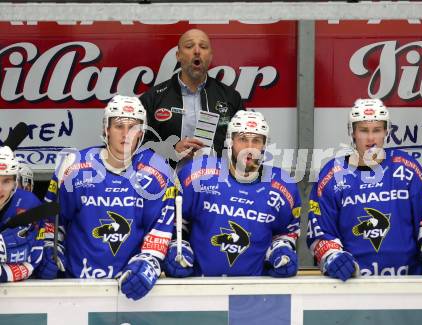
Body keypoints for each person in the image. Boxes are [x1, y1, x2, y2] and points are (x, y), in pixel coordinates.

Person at [36, 95, 175, 300]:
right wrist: (49, 247)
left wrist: (150, 261)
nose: (126, 134)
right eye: (119, 126)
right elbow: (53, 221)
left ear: (142, 133)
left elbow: (159, 228)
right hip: (76, 286)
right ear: (106, 129)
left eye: (133, 127)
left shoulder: (158, 172)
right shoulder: (74, 166)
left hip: (129, 286)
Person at [307, 98, 422, 280]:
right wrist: (333, 257)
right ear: (352, 132)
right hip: (354, 286)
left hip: (409, 284)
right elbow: (321, 231)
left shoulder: (407, 168)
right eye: (363, 130)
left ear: (386, 131)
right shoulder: (332, 174)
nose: (371, 139)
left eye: (377, 130)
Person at [163, 111, 301, 277]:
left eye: (256, 140)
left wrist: (281, 250)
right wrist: (177, 247)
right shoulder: (199, 173)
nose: (249, 148)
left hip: (256, 291)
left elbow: (285, 232)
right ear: (230, 141)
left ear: (265, 145)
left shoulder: (283, 186)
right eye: (242, 139)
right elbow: (174, 223)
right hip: (197, 288)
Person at [140, 28, 244, 165]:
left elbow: (244, 143)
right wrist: (170, 150)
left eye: (203, 46)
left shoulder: (230, 97)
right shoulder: (152, 98)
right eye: (189, 46)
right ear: (178, 55)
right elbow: (137, 144)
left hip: (217, 182)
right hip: (167, 182)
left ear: (210, 56)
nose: (197, 51)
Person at [0, 146, 43, 282]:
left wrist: (4, 273)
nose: (0, 188)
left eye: (6, 181)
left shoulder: (28, 203)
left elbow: (34, 259)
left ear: (14, 183)